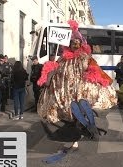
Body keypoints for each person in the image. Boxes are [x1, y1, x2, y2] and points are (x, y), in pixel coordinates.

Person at [37, 20, 117, 149]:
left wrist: (99, 77)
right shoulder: (63, 58)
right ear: (68, 44)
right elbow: (55, 70)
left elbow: (95, 70)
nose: (75, 44)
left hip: (81, 90)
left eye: (77, 42)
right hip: (67, 91)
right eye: (73, 42)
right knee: (72, 114)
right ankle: (80, 136)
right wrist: (48, 76)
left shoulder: (85, 57)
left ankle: (90, 129)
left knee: (81, 108)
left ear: (81, 44)